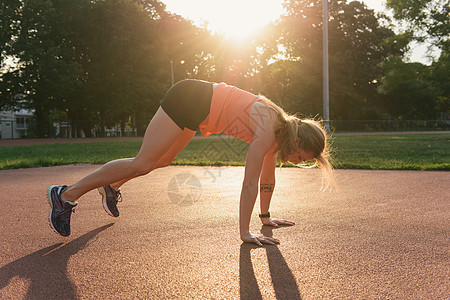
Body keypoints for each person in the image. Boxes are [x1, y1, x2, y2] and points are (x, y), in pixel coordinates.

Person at [47, 79, 335, 246]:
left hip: (197, 111)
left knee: (160, 161)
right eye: (301, 158)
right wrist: (244, 232)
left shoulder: (277, 138)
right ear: (298, 143)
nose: (296, 161)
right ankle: (65, 196)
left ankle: (110, 186)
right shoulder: (268, 124)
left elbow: (267, 179)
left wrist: (265, 217)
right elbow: (250, 182)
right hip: (188, 98)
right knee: (143, 161)